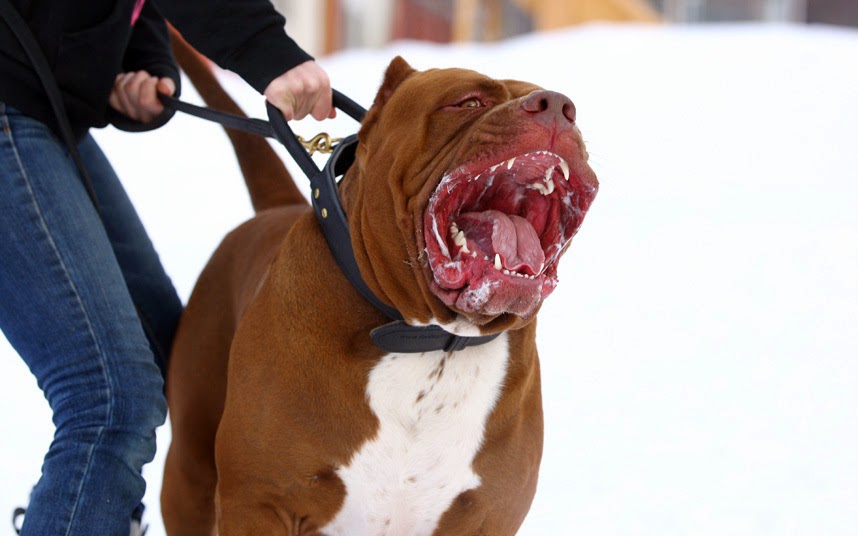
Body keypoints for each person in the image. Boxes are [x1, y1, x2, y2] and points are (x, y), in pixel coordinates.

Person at [0, 1, 333, 534]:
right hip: (12, 105)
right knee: (112, 398)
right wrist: (264, 50)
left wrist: (141, 62)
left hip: (45, 109)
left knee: (177, 360)